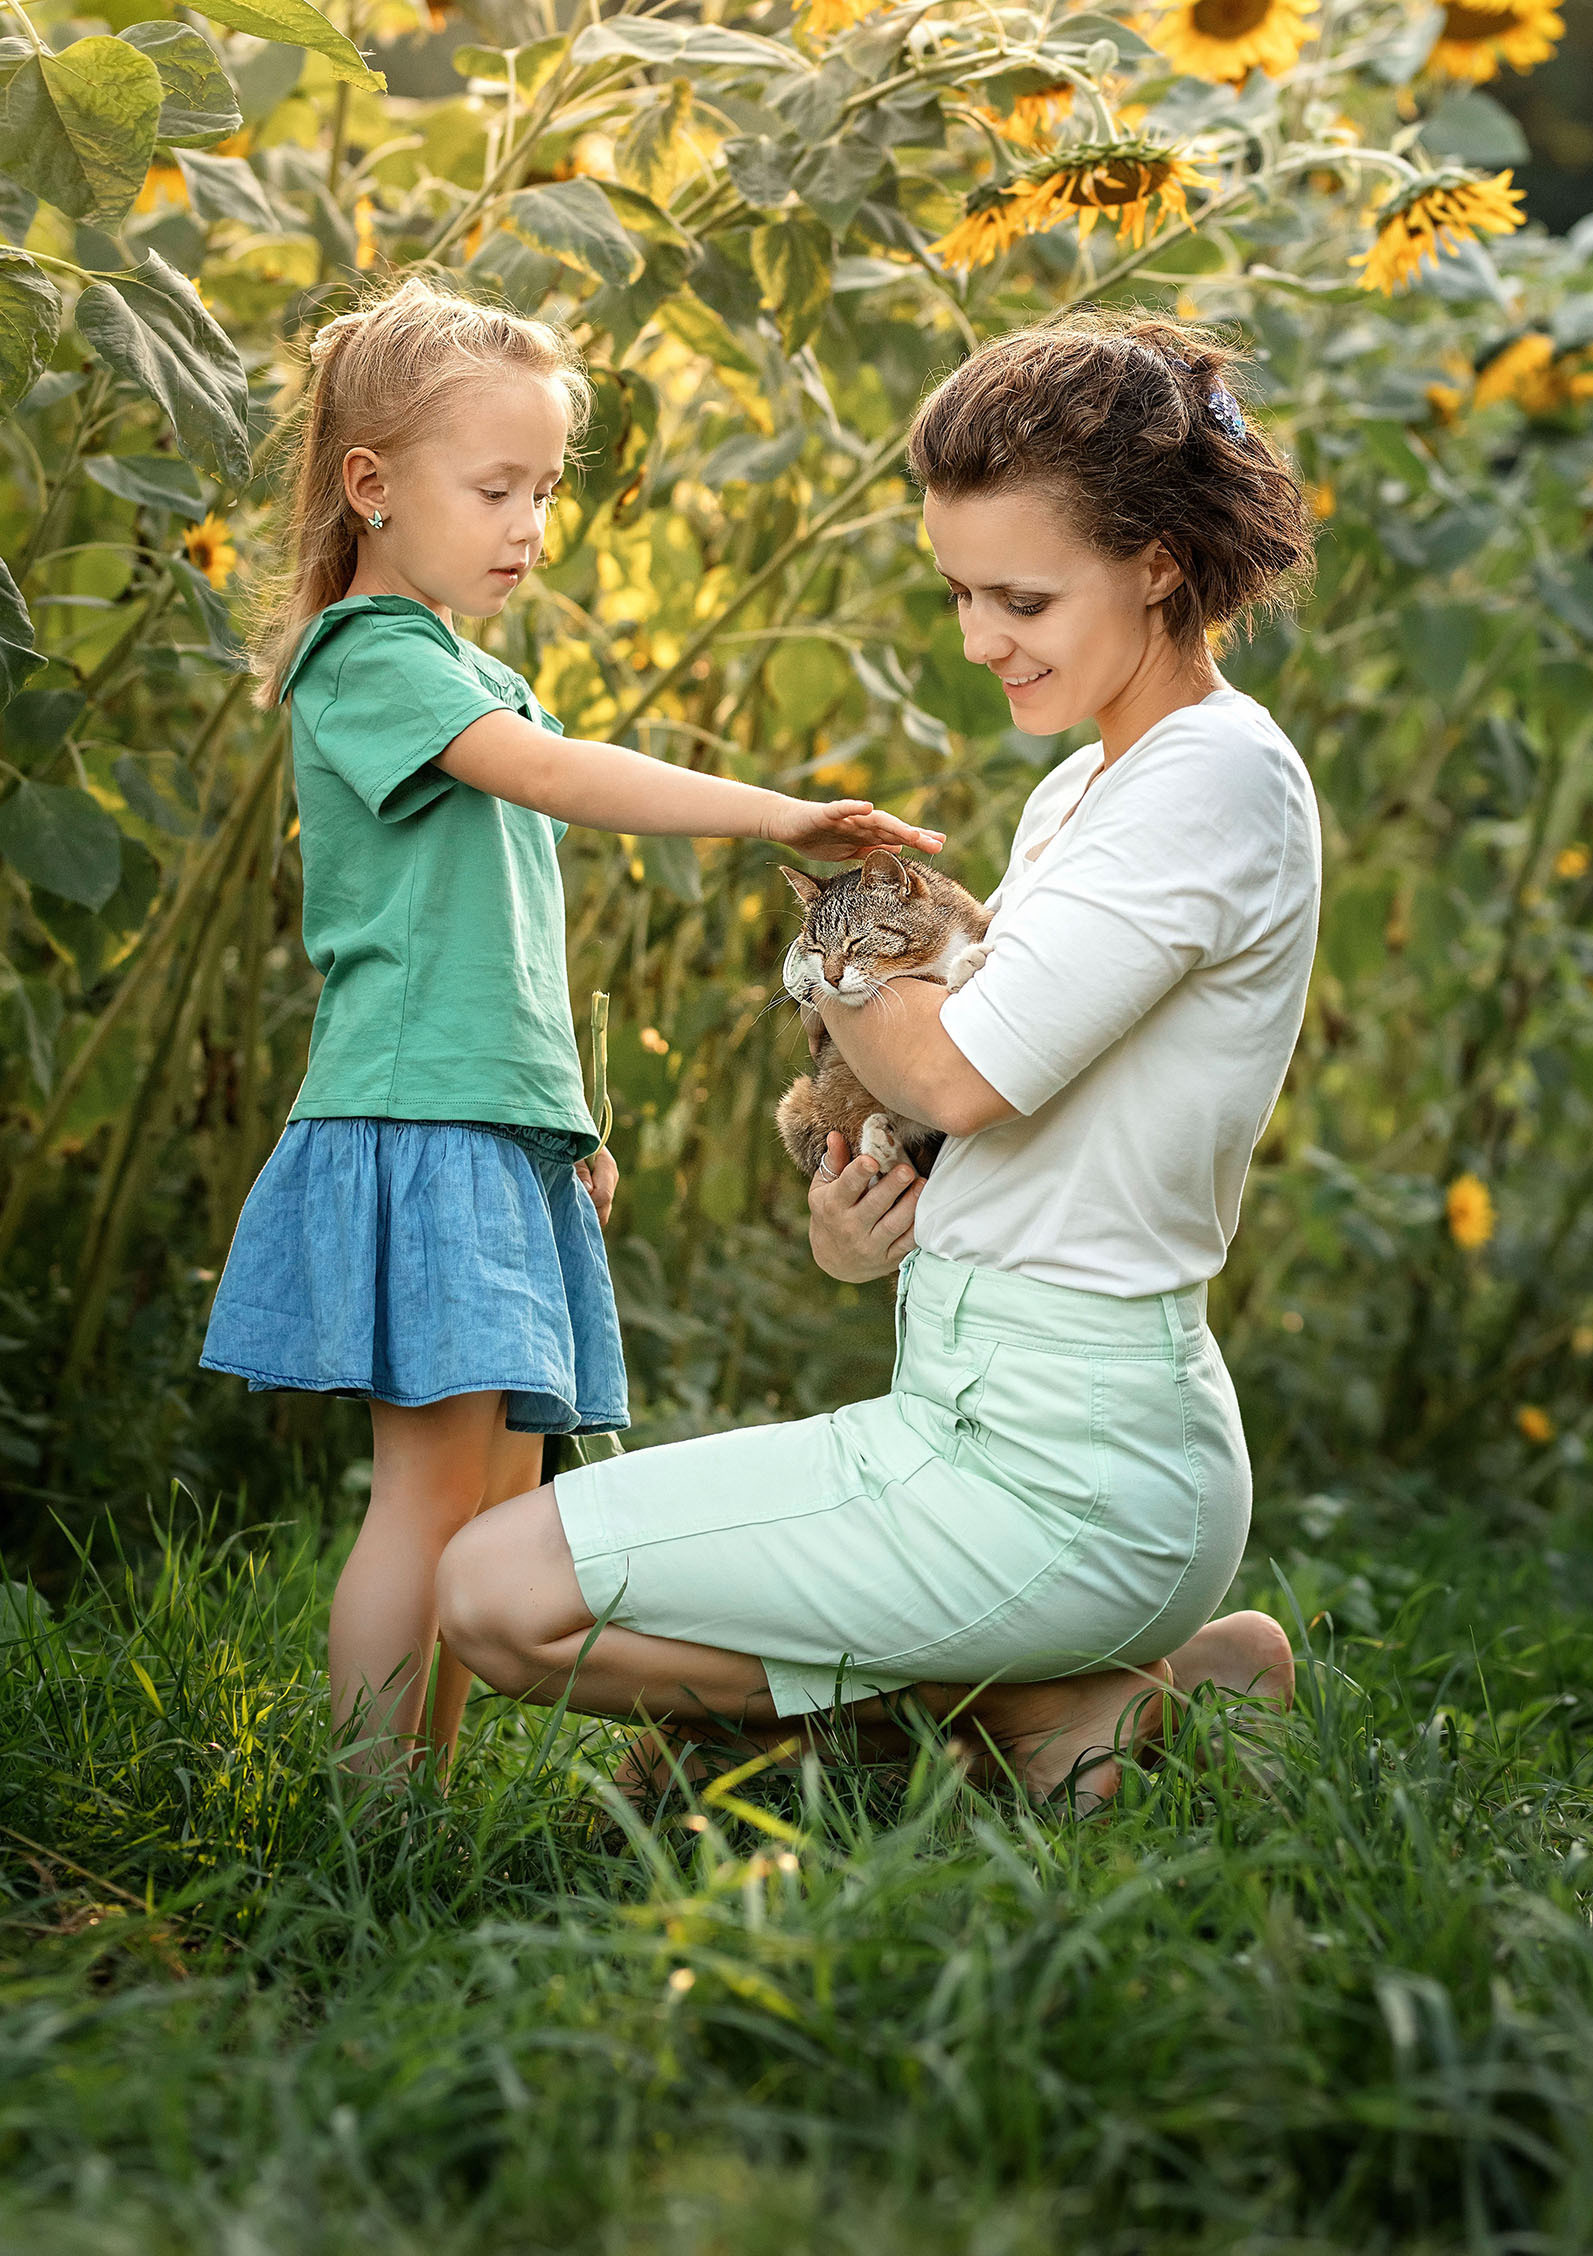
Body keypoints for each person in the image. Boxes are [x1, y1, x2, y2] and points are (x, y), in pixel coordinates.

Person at [437, 314, 1322, 1806]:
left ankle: (1004, 1710)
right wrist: (866, 1233)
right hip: (961, 1414)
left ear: (1161, 563)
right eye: (962, 592)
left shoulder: (1217, 779)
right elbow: (970, 1116)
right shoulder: (1081, 793)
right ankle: (1083, 1704)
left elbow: (955, 1075)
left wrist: (818, 944)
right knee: (505, 1591)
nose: (981, 640)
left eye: (1023, 597)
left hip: (1079, 1470)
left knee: (497, 1597)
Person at [199, 276, 943, 1769]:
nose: (530, 523)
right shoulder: (367, 661)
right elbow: (565, 784)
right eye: (495, 488)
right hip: (417, 1113)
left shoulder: (475, 670)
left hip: (495, 1122)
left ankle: (421, 1801)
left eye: (544, 488)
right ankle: (369, 1811)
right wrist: (774, 813)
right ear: (372, 488)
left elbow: (510, 943)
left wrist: (573, 1126)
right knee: (426, 1496)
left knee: (494, 1503)